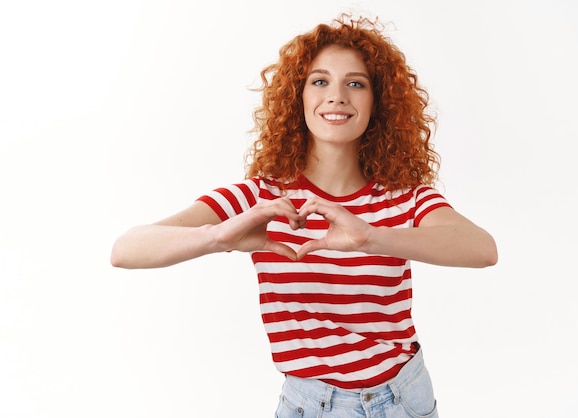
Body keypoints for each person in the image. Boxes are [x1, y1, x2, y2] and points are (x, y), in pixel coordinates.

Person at [111, 13, 497, 417]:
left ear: (377, 102)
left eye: (355, 83)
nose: (337, 96)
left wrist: (371, 237)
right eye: (320, 81)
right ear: (298, 97)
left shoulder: (403, 198)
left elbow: (482, 249)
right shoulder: (261, 198)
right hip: (308, 405)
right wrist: (218, 237)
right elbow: (126, 249)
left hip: (401, 398)